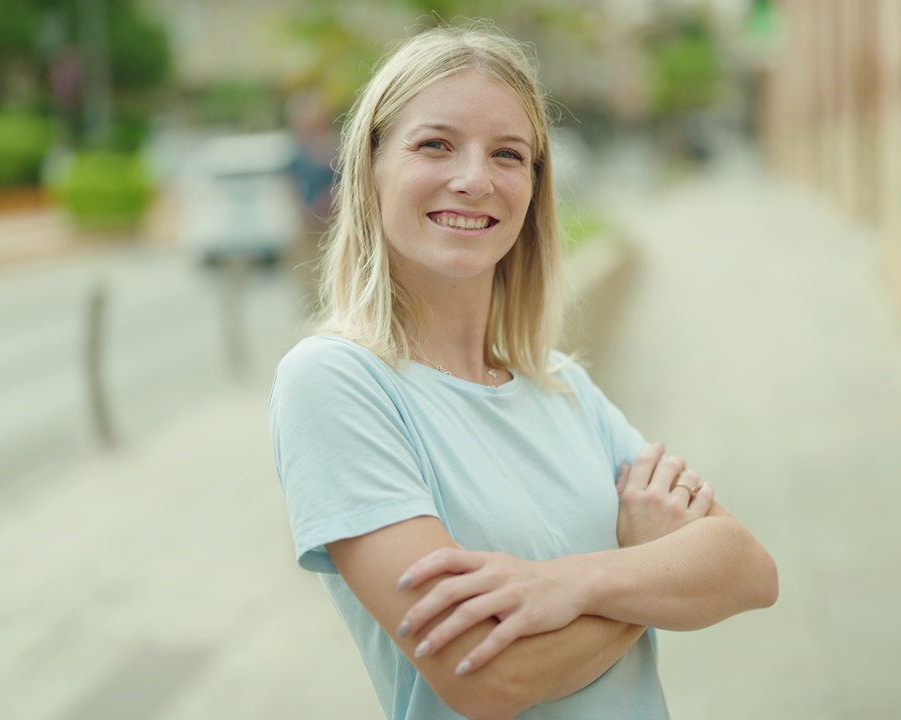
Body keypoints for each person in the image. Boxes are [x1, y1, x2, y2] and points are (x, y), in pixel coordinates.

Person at [269, 23, 778, 720]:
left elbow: (750, 569)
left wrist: (578, 582)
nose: (474, 179)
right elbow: (488, 678)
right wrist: (645, 570)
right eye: (435, 144)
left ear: (534, 190)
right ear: (372, 167)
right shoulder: (334, 383)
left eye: (508, 155)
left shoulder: (564, 387)